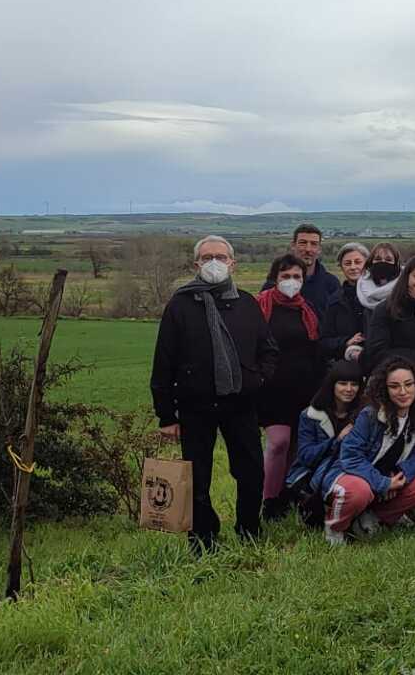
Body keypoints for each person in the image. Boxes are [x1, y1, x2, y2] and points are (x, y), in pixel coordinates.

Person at [149, 235, 278, 552]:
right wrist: (166, 415)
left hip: (241, 404)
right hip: (195, 406)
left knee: (250, 472)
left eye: (221, 256)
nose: (214, 263)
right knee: (197, 478)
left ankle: (249, 530)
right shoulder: (180, 305)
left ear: (233, 263)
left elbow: (269, 350)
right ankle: (203, 539)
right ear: (196, 264)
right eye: (207, 257)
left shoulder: (247, 303)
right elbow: (163, 362)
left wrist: (257, 379)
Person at [320, 356, 415, 545]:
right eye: (395, 386)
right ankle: (334, 527)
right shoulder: (370, 415)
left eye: (408, 384)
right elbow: (350, 456)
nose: (403, 391)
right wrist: (382, 483)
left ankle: (372, 517)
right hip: (348, 473)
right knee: (359, 491)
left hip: (386, 474)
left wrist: (398, 477)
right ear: (385, 389)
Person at [364, 255, 415, 491]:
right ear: (406, 277)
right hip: (396, 392)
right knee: (398, 446)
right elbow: (376, 353)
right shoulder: (386, 310)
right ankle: (391, 493)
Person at [255, 254, 325, 521]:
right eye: (286, 276)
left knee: (296, 447)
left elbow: (315, 348)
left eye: (297, 277)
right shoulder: (261, 305)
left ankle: (289, 494)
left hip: (304, 389)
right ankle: (269, 500)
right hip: (272, 391)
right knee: (277, 444)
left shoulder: (307, 310)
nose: (291, 282)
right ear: (275, 277)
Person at [285, 361, 366, 526]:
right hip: (314, 470)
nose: (349, 389)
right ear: (332, 385)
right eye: (343, 383)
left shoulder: (364, 413)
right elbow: (306, 456)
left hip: (353, 466)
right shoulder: (310, 415)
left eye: (354, 384)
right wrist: (336, 441)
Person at [263, 223, 343, 311]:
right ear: (293, 245)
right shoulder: (274, 283)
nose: (308, 249)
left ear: (319, 249)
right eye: (303, 243)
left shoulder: (331, 284)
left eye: (314, 244)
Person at [322, 243, 372, 364]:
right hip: (346, 367)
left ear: (367, 264)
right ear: (341, 267)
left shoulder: (379, 296)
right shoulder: (335, 301)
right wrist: (346, 342)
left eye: (358, 262)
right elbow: (325, 341)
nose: (353, 267)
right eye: (348, 263)